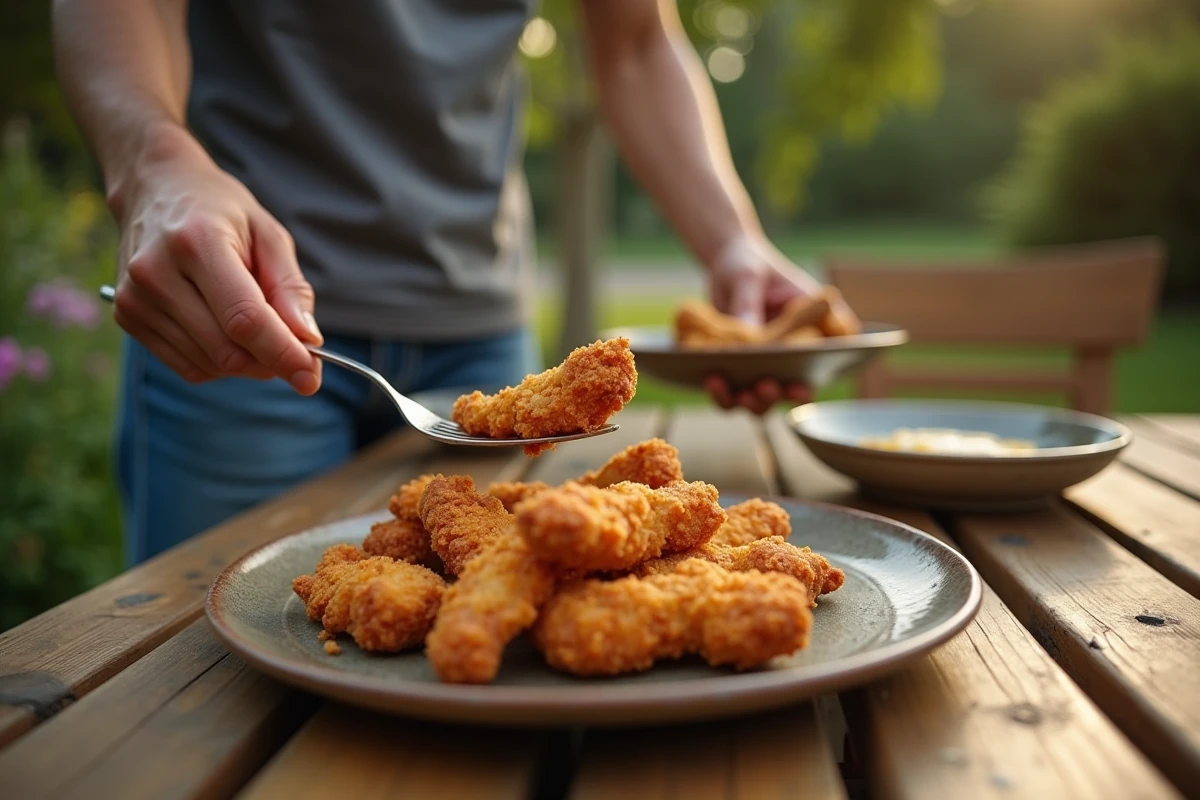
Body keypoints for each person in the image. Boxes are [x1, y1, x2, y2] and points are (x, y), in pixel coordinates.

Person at [53, 0, 823, 563]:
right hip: (239, 303)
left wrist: (733, 242)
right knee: (211, 659)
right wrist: (156, 162)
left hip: (480, 333)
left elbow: (635, 43)